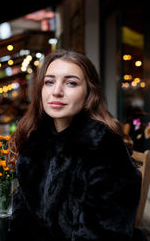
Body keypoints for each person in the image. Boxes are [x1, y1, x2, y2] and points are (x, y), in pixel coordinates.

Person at [8, 49, 145, 240]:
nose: (56, 91)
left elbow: (103, 234)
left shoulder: (104, 147)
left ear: (89, 92)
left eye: (71, 83)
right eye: (49, 82)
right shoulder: (37, 139)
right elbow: (22, 216)